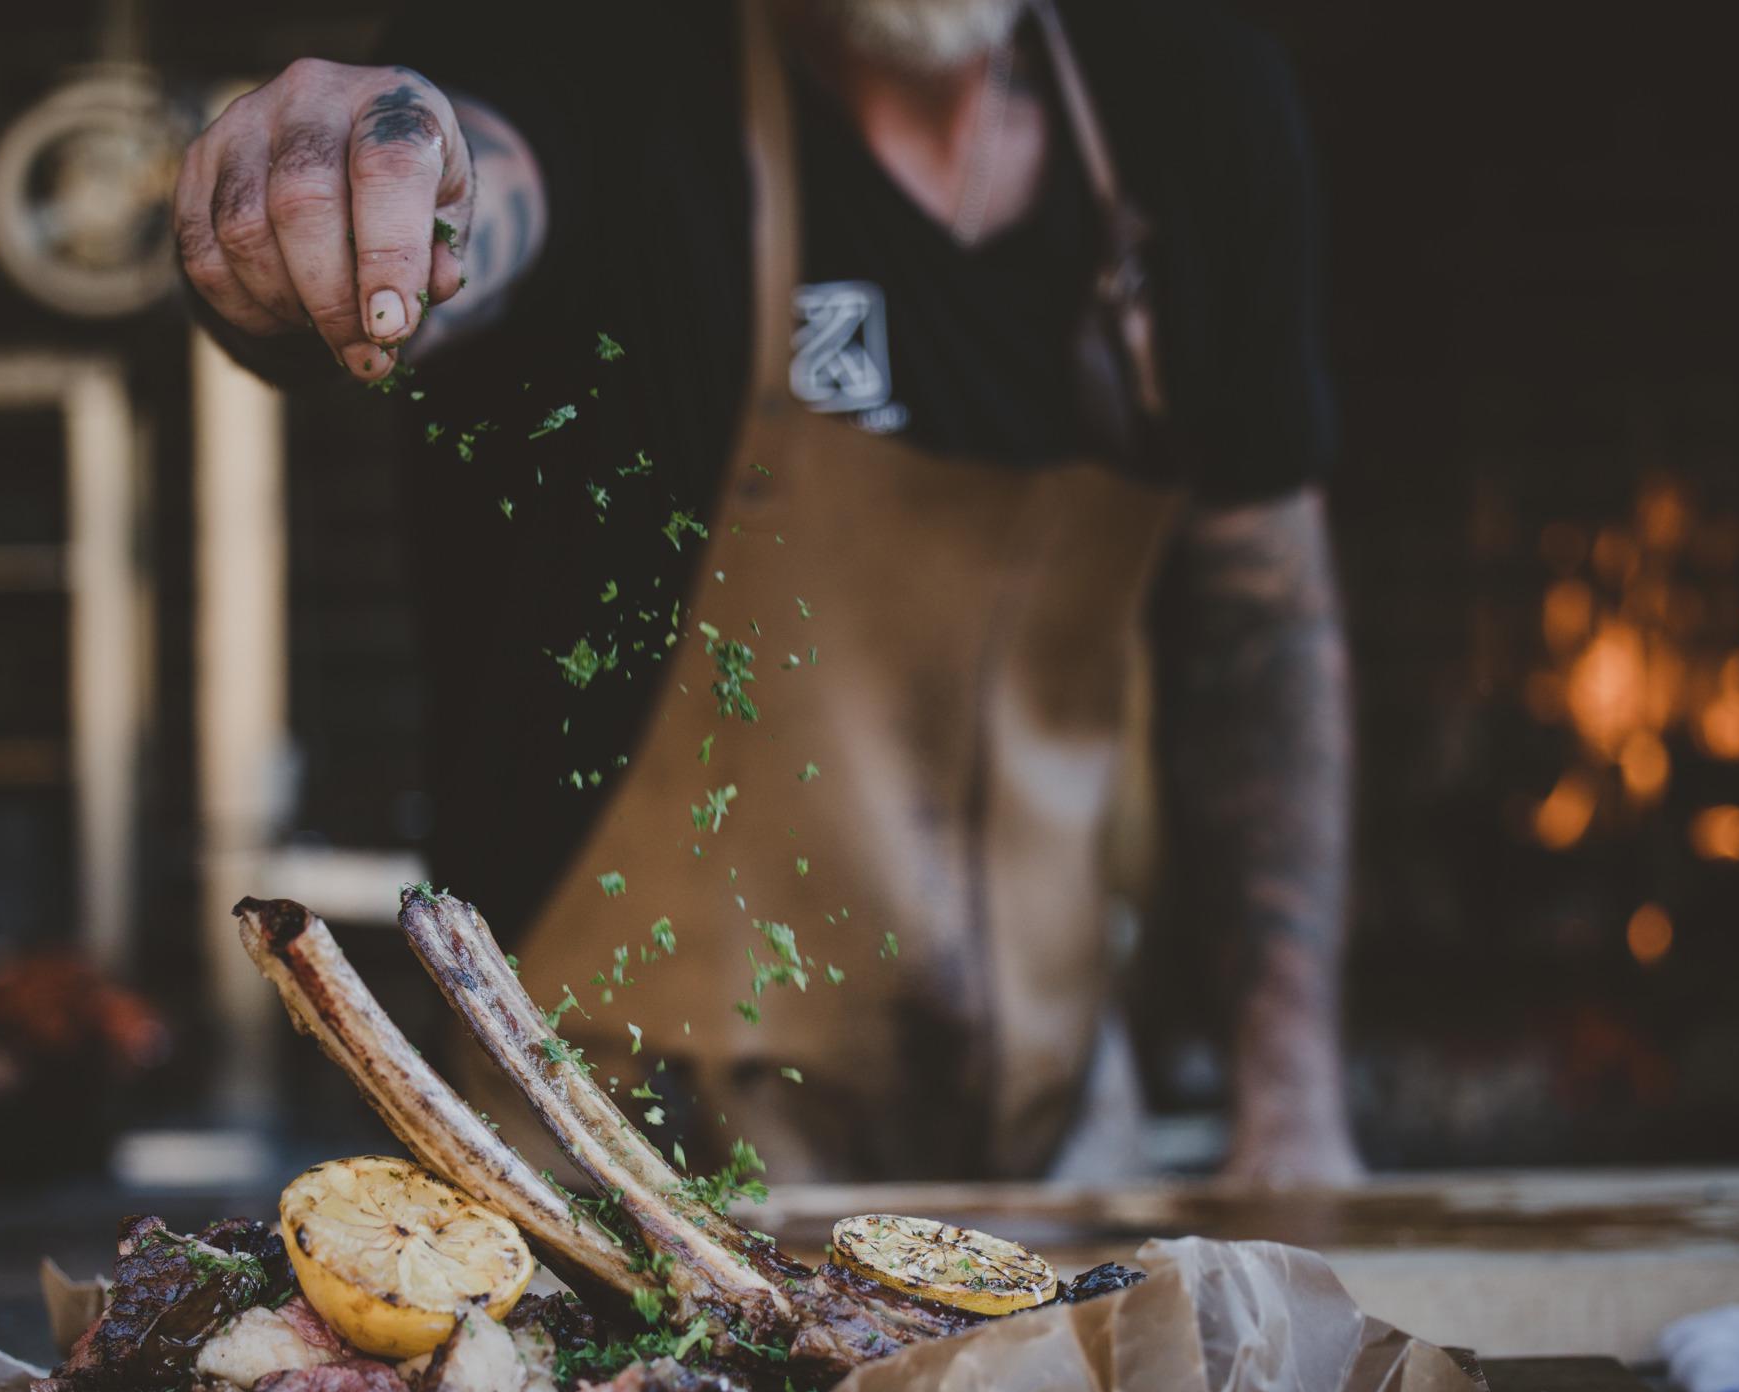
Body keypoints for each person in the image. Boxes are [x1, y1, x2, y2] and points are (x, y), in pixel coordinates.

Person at [176, 0, 1364, 1189]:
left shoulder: (1194, 100)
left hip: (1048, 1150)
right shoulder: (591, 47)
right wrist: (369, 172)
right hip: (619, 1153)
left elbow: (1258, 623)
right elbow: (476, 193)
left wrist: (1291, 1098)